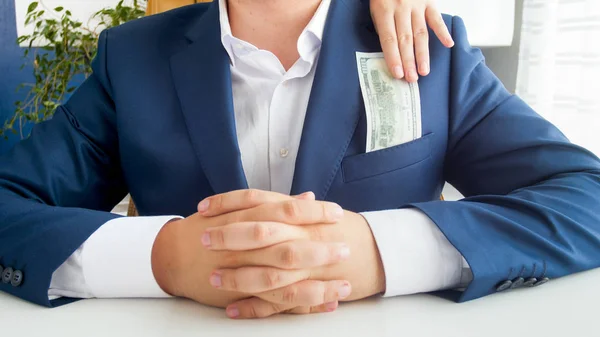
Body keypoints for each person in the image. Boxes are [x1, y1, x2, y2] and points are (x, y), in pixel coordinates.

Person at [1, 0, 600, 320]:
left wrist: (376, 252)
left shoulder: (431, 50)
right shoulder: (130, 58)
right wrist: (164, 258)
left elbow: (585, 195)